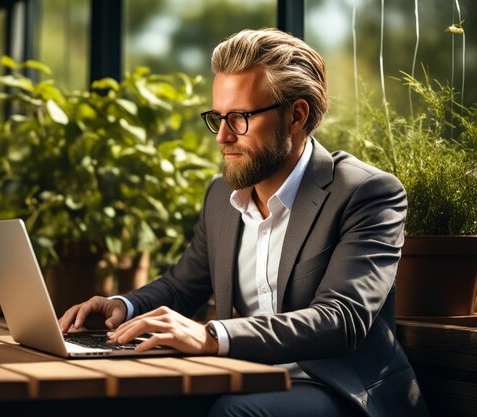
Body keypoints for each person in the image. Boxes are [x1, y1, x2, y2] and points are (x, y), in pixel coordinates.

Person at [59, 28, 429, 416]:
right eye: (217, 117)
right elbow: (183, 285)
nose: (221, 136)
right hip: (246, 377)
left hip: (340, 391)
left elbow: (340, 320)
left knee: (234, 413)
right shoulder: (221, 195)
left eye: (239, 118)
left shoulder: (365, 193)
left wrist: (210, 335)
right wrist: (124, 307)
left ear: (296, 116)